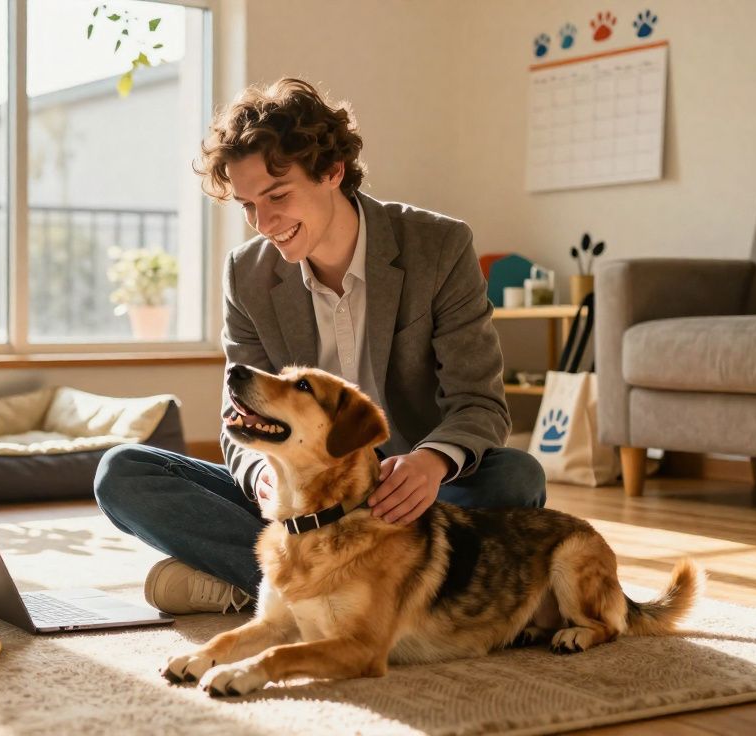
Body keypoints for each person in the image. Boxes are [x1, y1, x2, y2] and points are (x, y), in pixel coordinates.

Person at [94, 78, 546, 615]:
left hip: (406, 498)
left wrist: (430, 462)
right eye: (247, 206)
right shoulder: (246, 275)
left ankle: (263, 585)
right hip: (300, 494)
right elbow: (238, 421)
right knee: (123, 472)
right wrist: (261, 474)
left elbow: (479, 403)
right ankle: (362, 598)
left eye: (278, 196)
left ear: (332, 172)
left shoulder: (440, 247)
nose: (264, 224)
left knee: (517, 479)